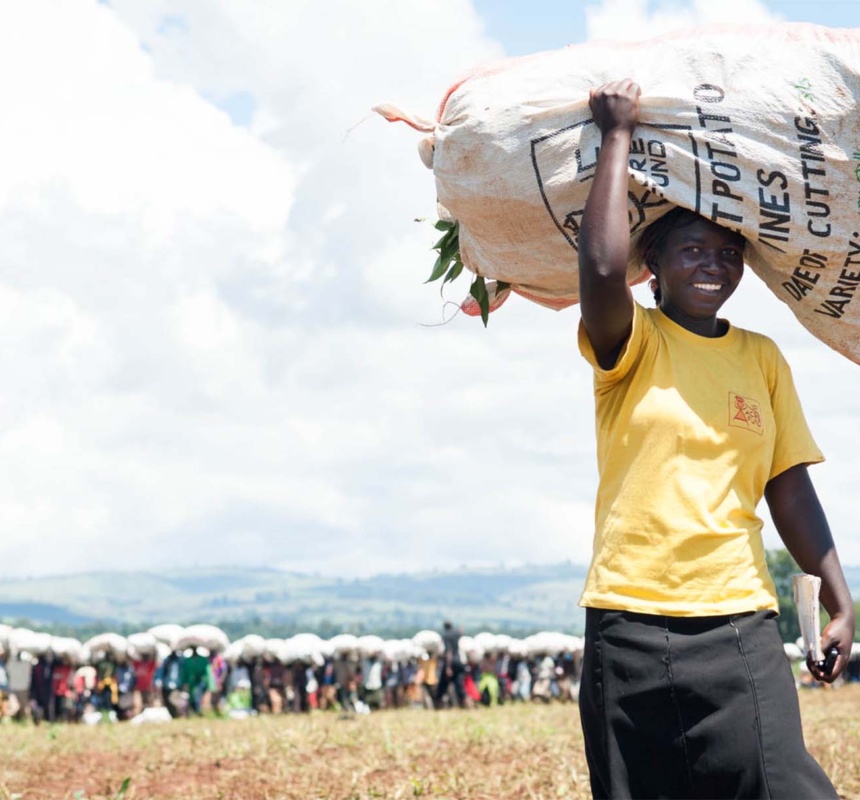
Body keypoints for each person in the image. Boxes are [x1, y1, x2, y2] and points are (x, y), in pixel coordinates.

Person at [574, 78, 856, 799]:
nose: (714, 263)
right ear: (654, 270)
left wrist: (837, 594)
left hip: (738, 625)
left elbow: (789, 485)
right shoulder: (630, 343)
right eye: (693, 249)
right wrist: (616, 136)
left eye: (728, 251)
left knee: (787, 787)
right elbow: (600, 270)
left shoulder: (760, 358)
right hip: (627, 625)